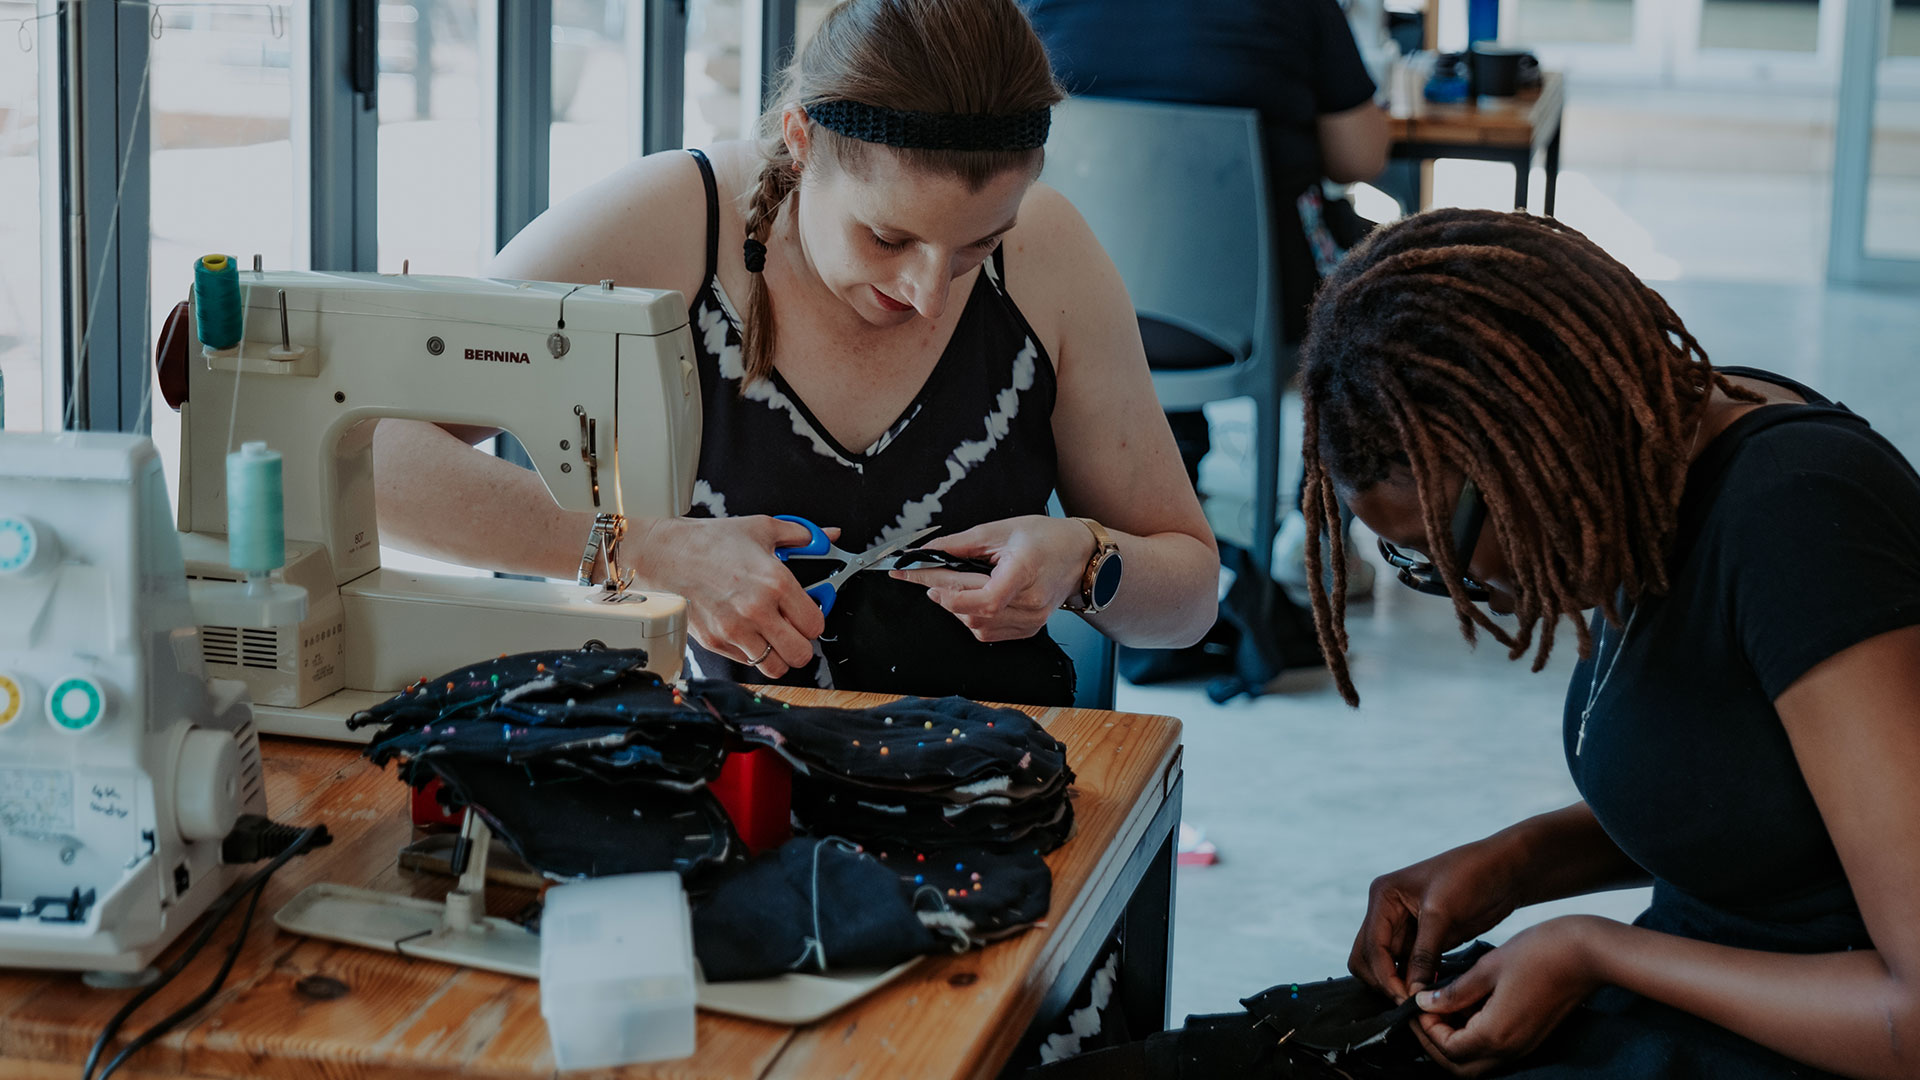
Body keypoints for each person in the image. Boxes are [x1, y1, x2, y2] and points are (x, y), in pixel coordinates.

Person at [368, 0, 1217, 706]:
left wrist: (1087, 560)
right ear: (801, 140)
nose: (927, 294)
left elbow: (1189, 600)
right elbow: (372, 454)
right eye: (888, 237)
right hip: (706, 771)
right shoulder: (668, 225)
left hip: (990, 782)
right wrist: (642, 549)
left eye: (976, 247)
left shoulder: (1051, 255)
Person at [1297, 209, 1920, 1077]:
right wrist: (1520, 862)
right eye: (1415, 564)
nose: (1466, 593)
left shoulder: (1799, 520)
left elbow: (1911, 1019)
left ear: (1534, 445)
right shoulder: (1644, 465)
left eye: (1448, 553)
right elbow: (1758, 801)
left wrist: (1595, 951)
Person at [1024, 0, 1389, 609]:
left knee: (1155, 258)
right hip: (1257, 307)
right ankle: (1320, 529)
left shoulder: (1037, 8)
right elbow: (1361, 157)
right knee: (1380, 281)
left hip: (1088, 301)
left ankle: (1165, 503)